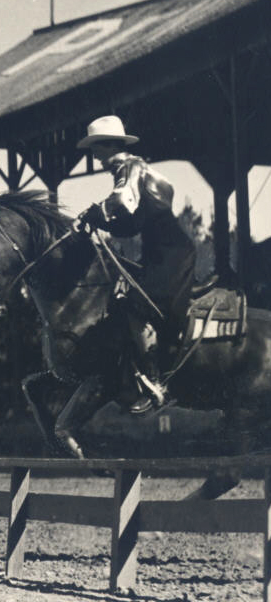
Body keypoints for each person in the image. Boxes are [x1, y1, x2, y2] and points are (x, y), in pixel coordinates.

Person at [74, 115, 197, 413]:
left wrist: (94, 213)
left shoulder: (127, 168)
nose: (94, 157)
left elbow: (120, 201)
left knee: (136, 306)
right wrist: (103, 224)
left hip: (169, 252)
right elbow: (131, 222)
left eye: (95, 149)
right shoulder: (138, 168)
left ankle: (156, 383)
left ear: (105, 146)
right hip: (166, 249)